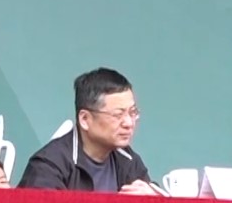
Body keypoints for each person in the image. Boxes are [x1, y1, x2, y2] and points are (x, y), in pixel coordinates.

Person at [16, 68, 160, 194]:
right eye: (118, 115)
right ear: (85, 119)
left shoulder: (128, 160)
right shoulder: (49, 166)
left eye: (133, 112)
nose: (129, 123)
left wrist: (153, 200)